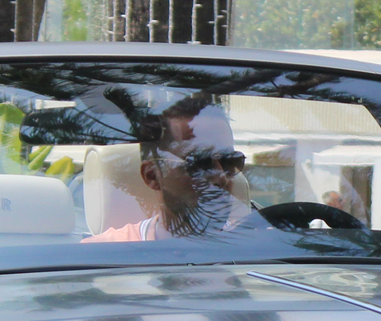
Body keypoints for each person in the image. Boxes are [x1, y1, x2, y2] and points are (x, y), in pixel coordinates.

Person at [85, 102, 264, 243]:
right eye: (198, 163)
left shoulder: (264, 250)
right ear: (152, 176)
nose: (220, 177)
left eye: (229, 161)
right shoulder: (104, 256)